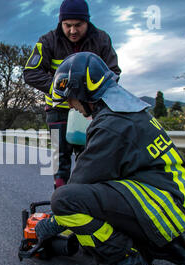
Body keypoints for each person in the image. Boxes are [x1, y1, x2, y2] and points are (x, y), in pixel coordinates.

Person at [34, 52, 185, 265]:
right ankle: (169, 244)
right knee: (98, 195)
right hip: (171, 204)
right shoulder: (127, 111)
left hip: (160, 204)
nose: (70, 104)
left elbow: (76, 190)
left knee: (64, 202)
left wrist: (49, 224)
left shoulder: (111, 124)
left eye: (70, 97)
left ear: (84, 91)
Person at [24, 0, 121, 189]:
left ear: (87, 22)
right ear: (61, 23)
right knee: (61, 158)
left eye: (78, 25)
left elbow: (113, 72)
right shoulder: (47, 41)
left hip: (90, 110)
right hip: (58, 110)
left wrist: (91, 95)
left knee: (90, 158)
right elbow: (30, 73)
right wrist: (64, 91)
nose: (73, 31)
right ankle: (61, 203)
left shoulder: (101, 39)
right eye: (67, 25)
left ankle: (86, 202)